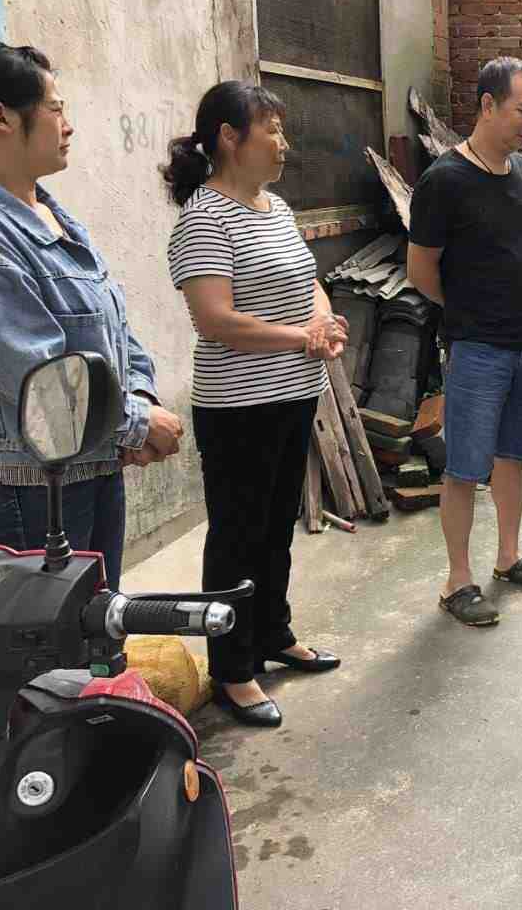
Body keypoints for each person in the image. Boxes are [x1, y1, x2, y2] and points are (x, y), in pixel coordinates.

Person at [0, 40, 183, 590]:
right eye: (55, 108)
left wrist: (141, 397)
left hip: (94, 464)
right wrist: (137, 422)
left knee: (97, 622)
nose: (68, 124)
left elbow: (113, 324)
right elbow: (35, 376)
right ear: (1, 117)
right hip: (33, 488)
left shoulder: (49, 213)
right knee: (50, 637)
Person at [164, 80, 345, 728]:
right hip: (238, 408)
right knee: (237, 536)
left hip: (294, 394)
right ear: (229, 138)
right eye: (271, 130)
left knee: (275, 528)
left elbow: (308, 280)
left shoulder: (276, 208)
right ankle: (232, 668)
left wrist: (324, 323)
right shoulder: (204, 218)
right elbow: (215, 320)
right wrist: (301, 337)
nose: (283, 142)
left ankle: (273, 632)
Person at [407, 57, 522, 628]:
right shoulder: (443, 181)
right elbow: (421, 271)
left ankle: (508, 557)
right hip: (477, 349)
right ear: (488, 105)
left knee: (514, 456)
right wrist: (468, 310)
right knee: (465, 468)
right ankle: (457, 580)